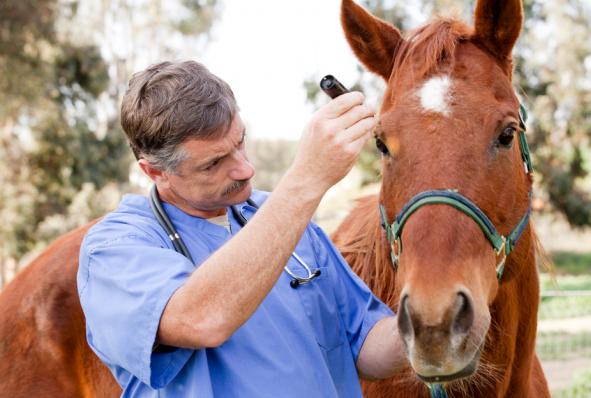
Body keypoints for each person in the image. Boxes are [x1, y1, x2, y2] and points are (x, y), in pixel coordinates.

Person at [77, 60, 407, 398]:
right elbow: (200, 319)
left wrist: (429, 330)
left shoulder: (282, 219)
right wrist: (308, 178)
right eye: (214, 163)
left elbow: (364, 343)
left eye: (240, 142)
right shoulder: (114, 248)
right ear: (155, 172)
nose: (245, 169)